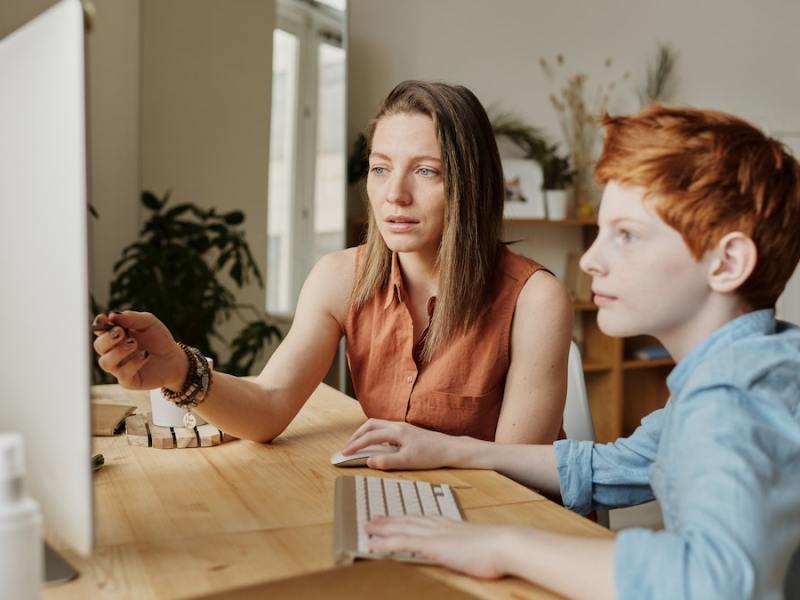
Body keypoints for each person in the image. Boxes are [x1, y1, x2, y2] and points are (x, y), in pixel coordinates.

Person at [346, 105, 800, 599]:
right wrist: (451, 449)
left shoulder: (733, 397)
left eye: (626, 235)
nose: (590, 259)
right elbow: (615, 466)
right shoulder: (751, 366)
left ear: (728, 262)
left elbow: (709, 582)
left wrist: (503, 546)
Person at [92, 80, 573, 445]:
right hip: (407, 508)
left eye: (426, 171)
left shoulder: (535, 299)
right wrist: (178, 369)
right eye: (380, 168)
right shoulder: (340, 277)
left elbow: (517, 476)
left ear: (472, 184)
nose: (394, 194)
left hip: (505, 525)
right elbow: (268, 407)